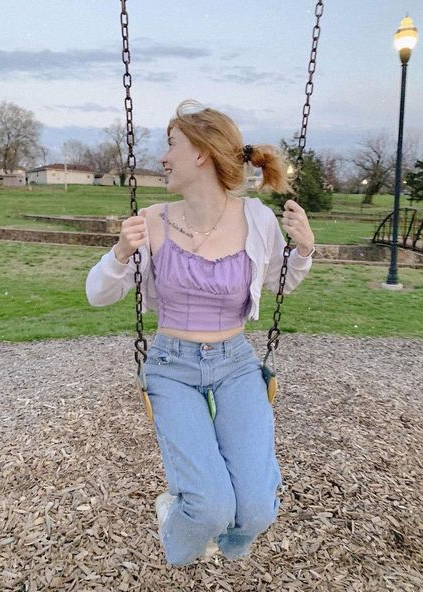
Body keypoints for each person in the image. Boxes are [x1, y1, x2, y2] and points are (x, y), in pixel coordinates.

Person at [86, 100, 315, 566]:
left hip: (236, 363)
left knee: (255, 509)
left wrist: (305, 249)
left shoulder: (256, 220)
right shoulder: (150, 222)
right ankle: (182, 527)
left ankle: (230, 543)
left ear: (202, 154)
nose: (163, 158)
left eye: (171, 145)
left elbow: (279, 281)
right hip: (172, 366)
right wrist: (118, 254)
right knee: (208, 506)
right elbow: (97, 295)